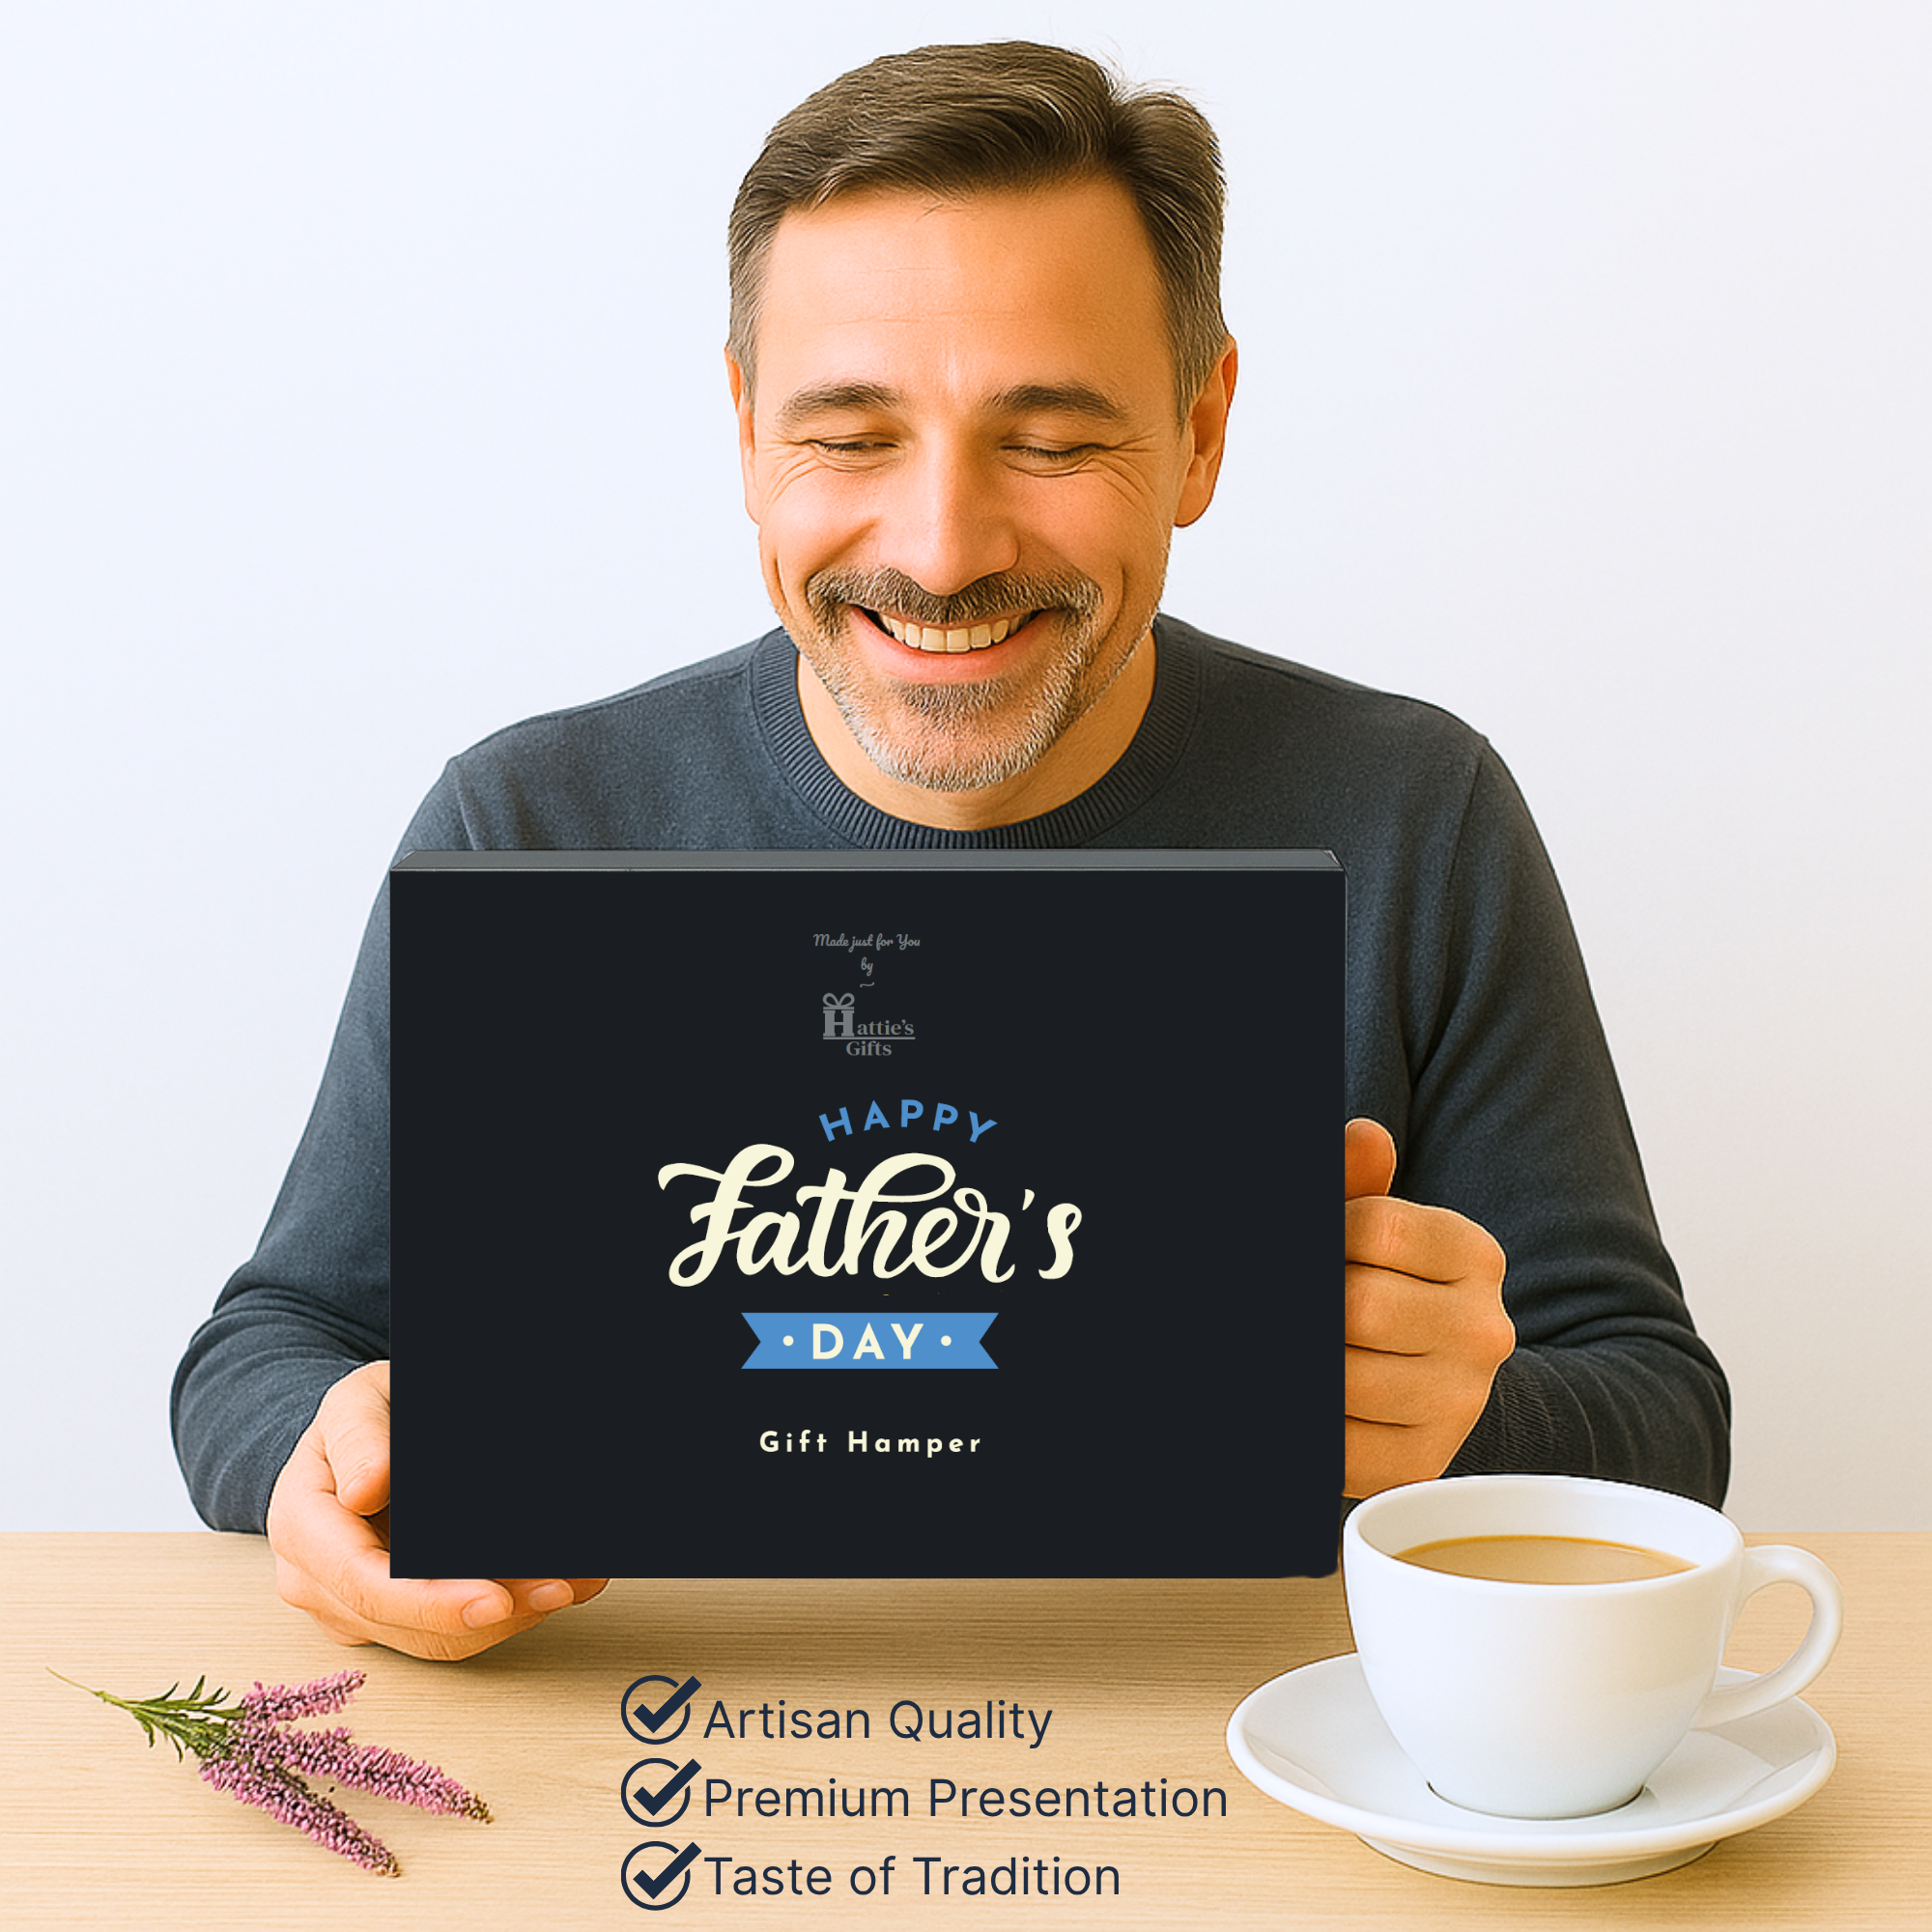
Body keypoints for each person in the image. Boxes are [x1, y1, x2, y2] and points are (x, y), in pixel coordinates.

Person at [173, 42, 1729, 1660]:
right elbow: (271, 1344)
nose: (942, 551)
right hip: (660, 1737)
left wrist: (1457, 1411)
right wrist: (326, 1449)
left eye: (1051, 441)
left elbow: (1662, 1415)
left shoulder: (1419, 818)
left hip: (1246, 1765)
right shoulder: (523, 826)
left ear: (1199, 434)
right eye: (847, 436)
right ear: (744, 432)